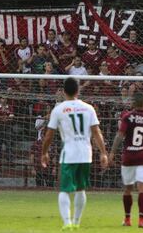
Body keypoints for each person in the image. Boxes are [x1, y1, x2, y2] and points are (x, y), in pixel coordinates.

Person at [41, 78, 108, 231]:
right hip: (86, 154)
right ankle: (76, 222)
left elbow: (49, 134)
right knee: (80, 189)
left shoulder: (58, 109)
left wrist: (44, 153)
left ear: (64, 91)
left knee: (64, 189)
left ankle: (67, 222)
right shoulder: (89, 108)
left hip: (69, 153)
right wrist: (103, 153)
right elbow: (96, 132)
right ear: (78, 91)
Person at [108, 92, 143, 229]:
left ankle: (127, 219)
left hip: (129, 156)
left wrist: (112, 152)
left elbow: (120, 136)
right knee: (142, 188)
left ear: (132, 104)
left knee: (127, 189)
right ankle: (142, 220)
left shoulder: (128, 117)